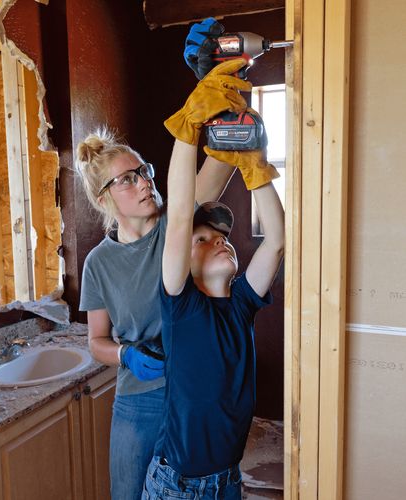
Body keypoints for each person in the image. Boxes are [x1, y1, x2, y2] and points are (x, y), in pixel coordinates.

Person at [74, 59, 250, 500]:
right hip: (140, 397)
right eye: (128, 179)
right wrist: (128, 356)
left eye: (146, 171)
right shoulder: (99, 263)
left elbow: (221, 165)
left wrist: (223, 100)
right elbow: (96, 340)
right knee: (130, 492)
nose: (145, 183)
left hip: (193, 388)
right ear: (105, 197)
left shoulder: (179, 227)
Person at [141, 58, 284, 499]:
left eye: (222, 237)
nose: (219, 241)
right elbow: (180, 213)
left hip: (228, 481)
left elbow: (276, 241)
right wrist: (190, 125)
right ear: (186, 261)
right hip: (177, 486)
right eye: (201, 241)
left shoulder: (240, 304)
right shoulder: (180, 304)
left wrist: (255, 167)